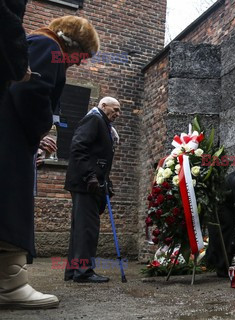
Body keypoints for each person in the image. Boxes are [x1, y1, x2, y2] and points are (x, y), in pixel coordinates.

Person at [0, 14, 99, 308]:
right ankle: (10, 284)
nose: (80, 63)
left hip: (11, 135)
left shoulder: (37, 44)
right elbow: (31, 89)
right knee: (12, 205)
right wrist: (42, 129)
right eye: (82, 55)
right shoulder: (48, 46)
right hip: (12, 141)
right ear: (71, 44)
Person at [64, 97, 121, 283]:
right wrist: (90, 176)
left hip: (90, 183)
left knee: (81, 228)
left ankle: (74, 271)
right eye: (115, 109)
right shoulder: (94, 120)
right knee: (87, 228)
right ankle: (84, 272)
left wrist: (105, 180)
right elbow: (78, 148)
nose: (117, 114)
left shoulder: (103, 124)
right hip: (85, 184)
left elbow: (97, 157)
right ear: (103, 106)